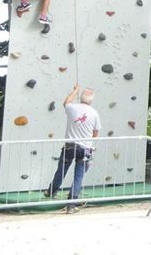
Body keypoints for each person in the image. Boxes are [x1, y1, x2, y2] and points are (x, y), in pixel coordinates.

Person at [43, 84, 100, 212]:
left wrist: (75, 91)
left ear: (81, 97)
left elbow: (66, 102)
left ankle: (51, 191)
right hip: (85, 148)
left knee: (61, 170)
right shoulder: (94, 113)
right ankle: (71, 205)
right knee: (78, 177)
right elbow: (96, 133)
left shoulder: (72, 108)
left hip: (70, 146)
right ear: (92, 100)